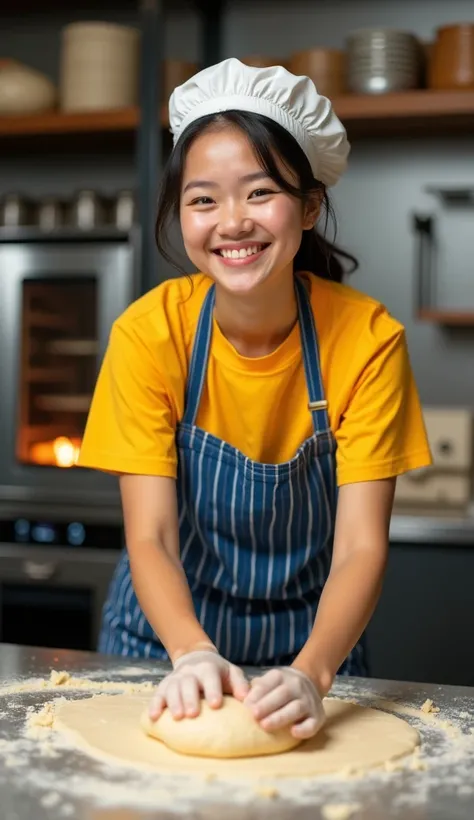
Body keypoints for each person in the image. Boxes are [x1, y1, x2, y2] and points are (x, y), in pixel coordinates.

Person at [78, 58, 432, 741]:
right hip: (163, 648)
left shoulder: (366, 341)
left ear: (308, 205)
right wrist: (190, 651)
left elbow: (361, 547)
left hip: (309, 651)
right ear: (180, 215)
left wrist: (313, 673)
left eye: (259, 191)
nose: (231, 222)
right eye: (203, 199)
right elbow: (150, 536)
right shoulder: (151, 336)